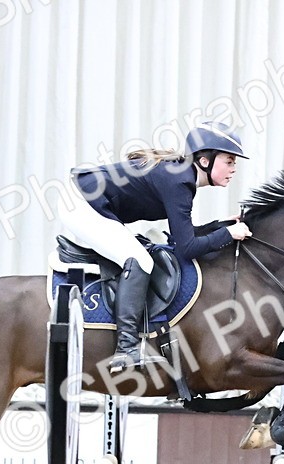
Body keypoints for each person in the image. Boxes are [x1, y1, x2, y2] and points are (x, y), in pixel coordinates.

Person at [59, 121, 252, 373]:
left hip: (88, 199)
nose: (234, 168)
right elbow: (187, 248)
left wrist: (220, 226)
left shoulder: (182, 176)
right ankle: (126, 349)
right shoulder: (179, 183)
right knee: (140, 260)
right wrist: (227, 234)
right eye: (229, 161)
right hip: (80, 203)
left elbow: (180, 238)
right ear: (205, 160)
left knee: (147, 249)